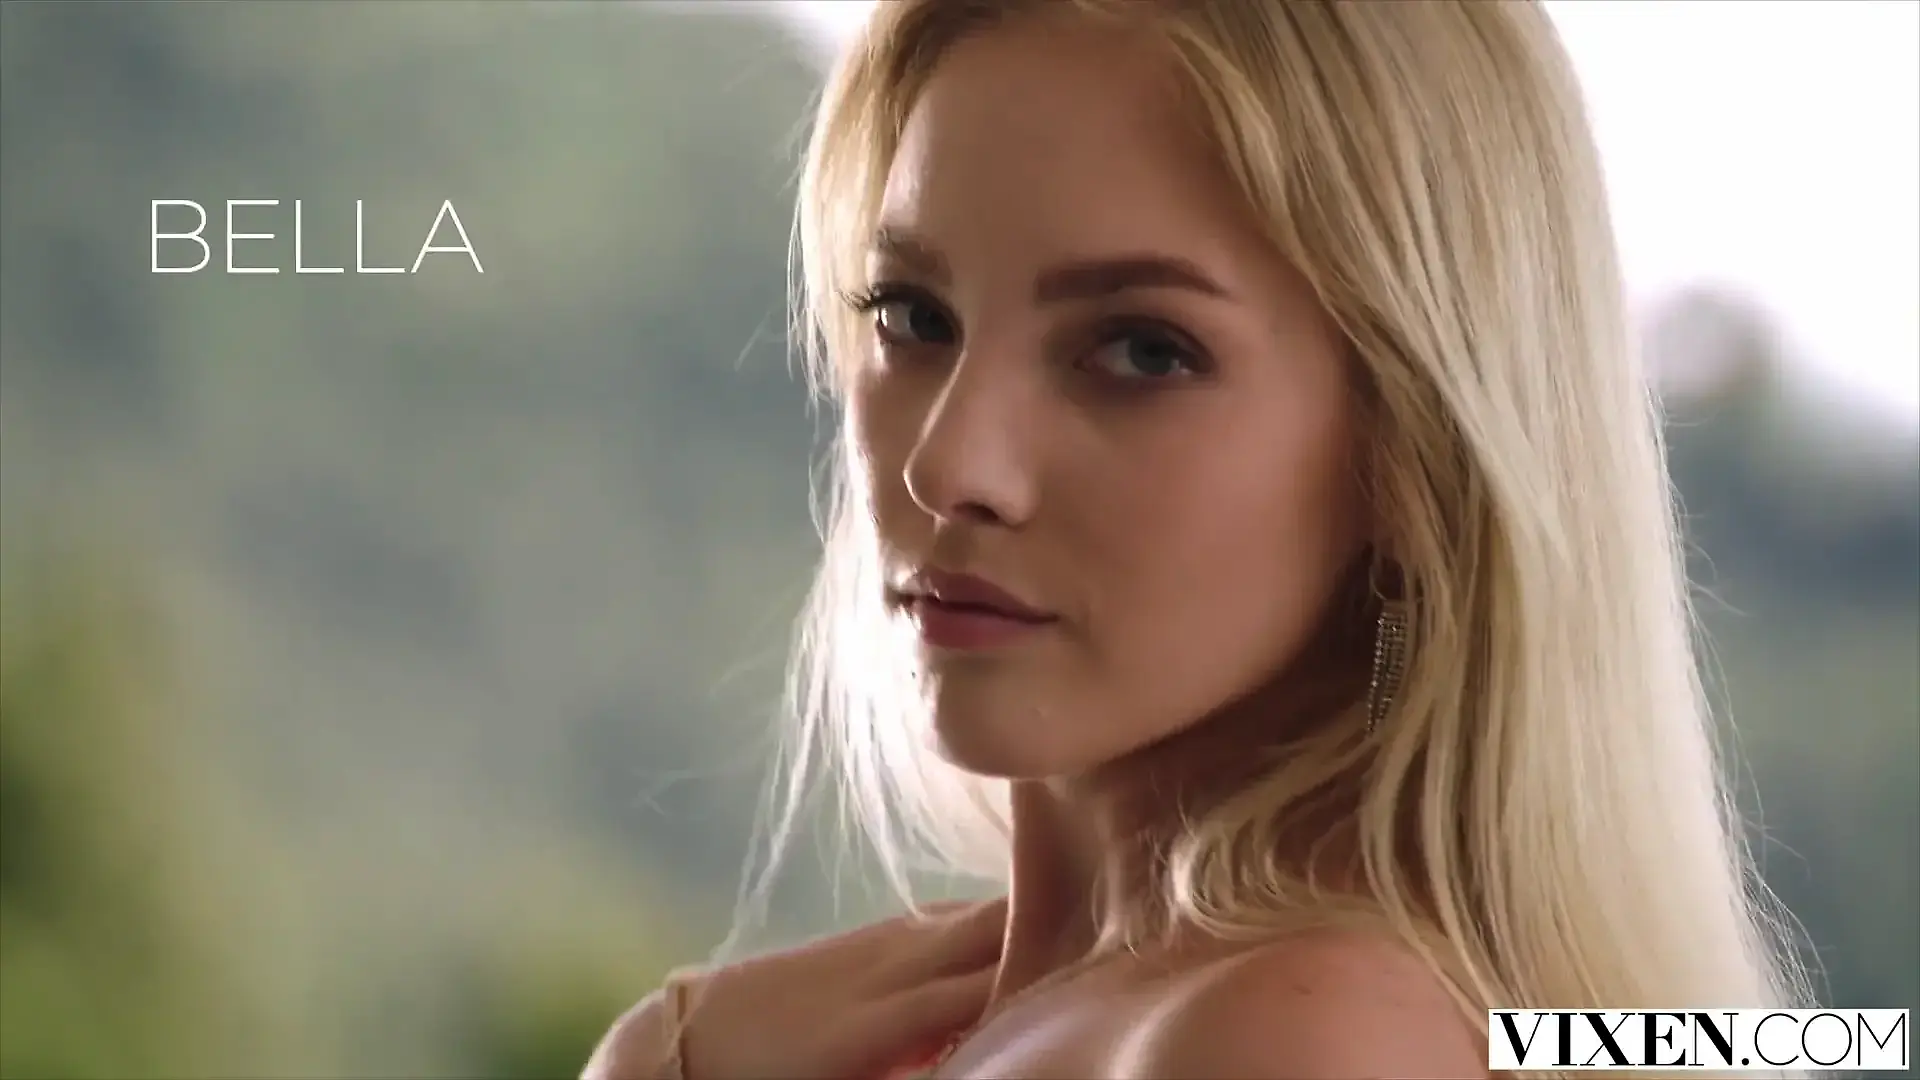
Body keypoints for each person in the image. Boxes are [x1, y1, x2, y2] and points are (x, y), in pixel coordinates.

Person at [583, 0, 1811, 1076]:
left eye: (1140, 351)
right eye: (913, 315)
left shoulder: (1296, 1037)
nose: (948, 465)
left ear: (1412, 456)